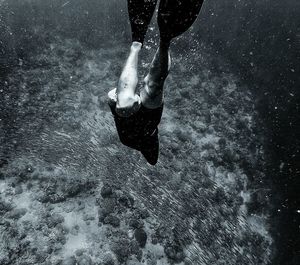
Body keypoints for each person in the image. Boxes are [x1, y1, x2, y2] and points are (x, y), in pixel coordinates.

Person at [109, 0, 204, 117]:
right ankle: (155, 42)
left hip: (139, 124)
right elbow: (111, 96)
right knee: (144, 93)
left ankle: (149, 43)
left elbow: (112, 97)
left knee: (140, 96)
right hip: (137, 123)